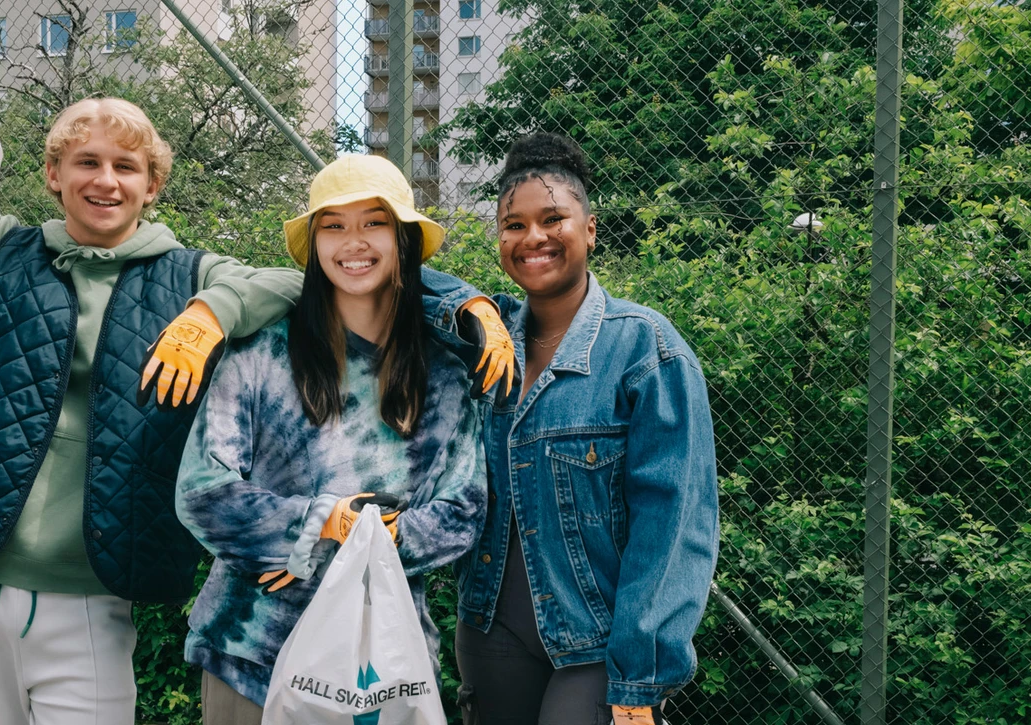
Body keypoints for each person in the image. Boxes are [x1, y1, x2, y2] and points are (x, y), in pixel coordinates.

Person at [0, 98, 309, 725]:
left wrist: (208, 312)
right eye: (86, 162)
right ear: (54, 174)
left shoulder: (192, 274)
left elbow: (304, 283)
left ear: (153, 184)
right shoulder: (0, 252)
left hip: (92, 590)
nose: (106, 180)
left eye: (126, 166)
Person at [172, 154, 493, 725]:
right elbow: (202, 491)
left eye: (374, 222)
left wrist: (371, 535)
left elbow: (463, 511)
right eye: (333, 225)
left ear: (403, 240)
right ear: (315, 244)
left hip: (383, 665)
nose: (354, 242)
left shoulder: (442, 374)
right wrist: (323, 522)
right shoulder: (261, 353)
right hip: (253, 650)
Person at [430, 133, 720, 725]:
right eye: (513, 225)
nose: (532, 238)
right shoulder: (483, 343)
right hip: (490, 630)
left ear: (589, 229)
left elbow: (676, 526)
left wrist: (640, 678)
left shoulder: (647, 350)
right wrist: (469, 303)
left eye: (553, 218)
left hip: (599, 644)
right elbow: (387, 282)